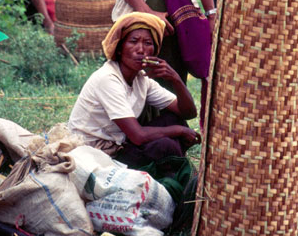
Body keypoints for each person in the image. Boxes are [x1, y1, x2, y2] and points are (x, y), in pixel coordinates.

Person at [68, 12, 201, 168]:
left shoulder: (141, 80)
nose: (141, 50)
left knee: (175, 119)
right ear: (119, 48)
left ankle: (169, 169)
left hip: (120, 145)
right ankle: (170, 172)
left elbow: (188, 113)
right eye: (133, 41)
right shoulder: (108, 79)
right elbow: (138, 136)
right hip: (97, 154)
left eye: (148, 43)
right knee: (165, 145)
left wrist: (175, 79)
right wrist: (179, 131)